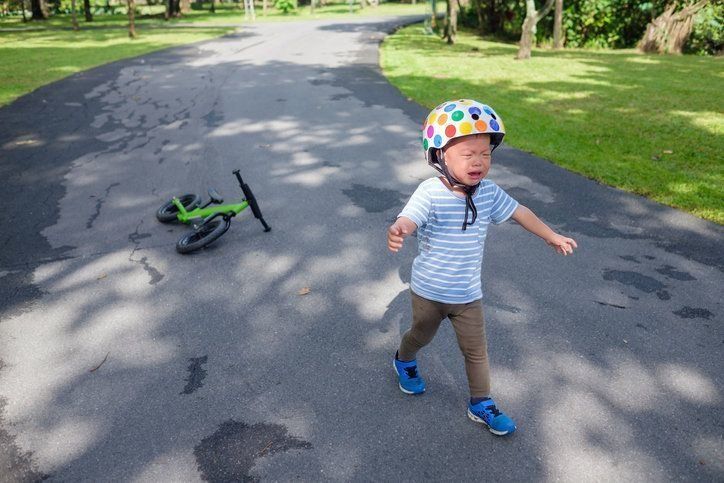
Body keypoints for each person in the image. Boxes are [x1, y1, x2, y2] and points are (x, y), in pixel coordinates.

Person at [387, 99, 577, 436]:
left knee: (476, 351)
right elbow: (411, 216)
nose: (478, 161)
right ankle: (404, 359)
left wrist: (551, 235)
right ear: (440, 155)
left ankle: (481, 402)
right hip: (430, 292)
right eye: (468, 154)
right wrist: (401, 227)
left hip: (467, 295)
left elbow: (520, 212)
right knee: (421, 335)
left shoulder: (488, 192)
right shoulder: (429, 192)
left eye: (485, 154)